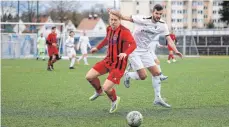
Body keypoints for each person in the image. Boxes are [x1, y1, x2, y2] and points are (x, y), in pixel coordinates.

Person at [109, 4, 182, 108]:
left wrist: (175, 50)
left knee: (156, 73)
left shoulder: (162, 25)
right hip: (133, 49)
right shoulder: (142, 19)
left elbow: (169, 39)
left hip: (145, 51)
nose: (158, 16)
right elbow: (124, 17)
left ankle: (158, 98)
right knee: (143, 76)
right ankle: (128, 75)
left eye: (160, 14)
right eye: (157, 13)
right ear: (153, 12)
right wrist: (113, 13)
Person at [85, 13, 136, 113]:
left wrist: (125, 53)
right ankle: (99, 92)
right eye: (111, 19)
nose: (113, 22)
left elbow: (134, 44)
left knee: (106, 88)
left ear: (120, 20)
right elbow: (106, 40)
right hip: (108, 60)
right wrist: (97, 47)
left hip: (119, 65)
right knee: (89, 76)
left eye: (115, 20)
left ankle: (115, 100)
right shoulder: (109, 29)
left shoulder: (125, 32)